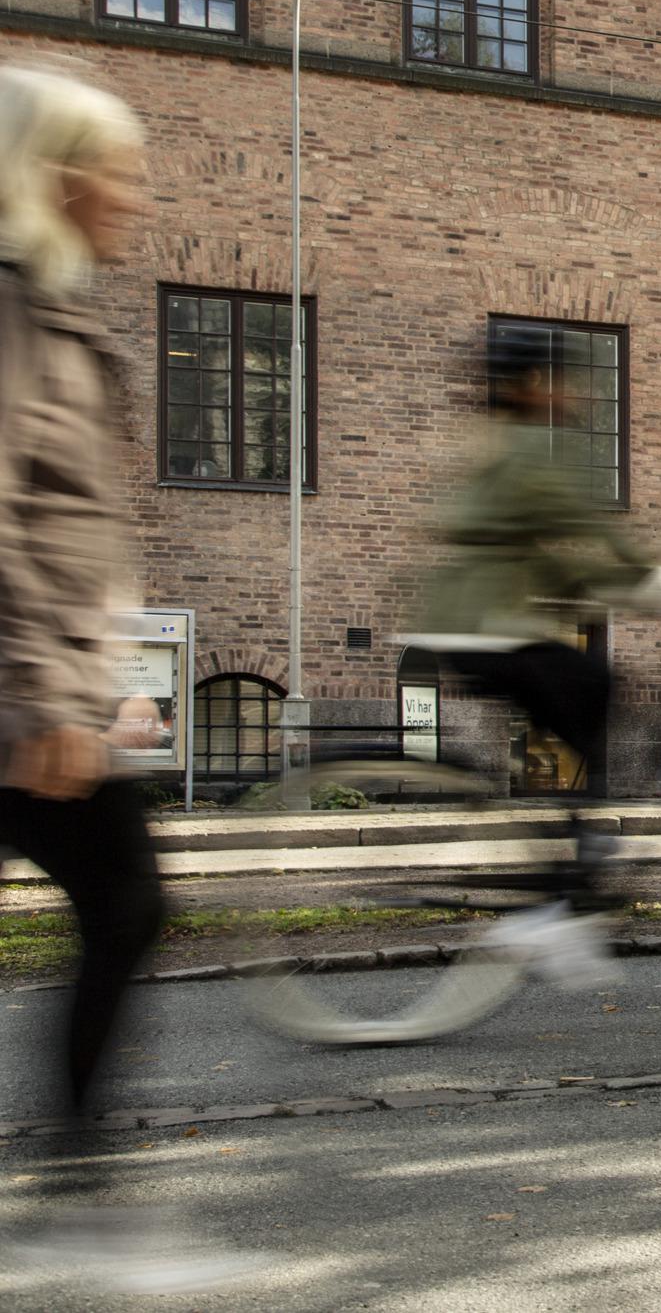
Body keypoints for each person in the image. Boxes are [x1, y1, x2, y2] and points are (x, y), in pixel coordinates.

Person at [0, 63, 261, 1292]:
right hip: (10, 699)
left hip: (40, 691)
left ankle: (80, 1191)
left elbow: (80, 532)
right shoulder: (10, 316)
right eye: (117, 171)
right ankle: (80, 1198)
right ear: (52, 175)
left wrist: (109, 674)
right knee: (127, 904)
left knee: (128, 906)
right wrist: (48, 696)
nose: (134, 196)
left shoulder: (54, 317)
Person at [412, 322, 661, 979]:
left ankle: (570, 878)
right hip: (483, 628)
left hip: (475, 622)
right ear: (533, 384)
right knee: (600, 688)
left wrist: (640, 586)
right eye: (567, 378)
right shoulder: (530, 450)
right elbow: (591, 527)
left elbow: (552, 560)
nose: (577, 392)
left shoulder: (498, 446)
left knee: (592, 693)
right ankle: (559, 902)